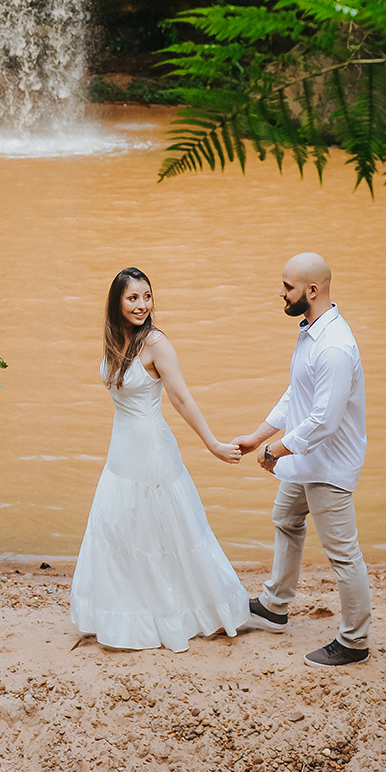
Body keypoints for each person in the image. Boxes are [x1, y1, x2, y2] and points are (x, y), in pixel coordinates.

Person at [70, 266, 250, 652]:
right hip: (122, 449)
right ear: (117, 302)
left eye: (147, 296)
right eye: (133, 297)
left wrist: (213, 444)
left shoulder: (156, 343)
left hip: (152, 449)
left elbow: (181, 398)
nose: (142, 305)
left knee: (168, 531)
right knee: (120, 527)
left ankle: (183, 611)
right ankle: (128, 611)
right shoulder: (117, 341)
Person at [238, 252, 371, 667]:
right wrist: (258, 437)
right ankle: (274, 606)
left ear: (312, 291)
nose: (281, 293)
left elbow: (323, 421)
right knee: (286, 518)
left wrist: (276, 450)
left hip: (329, 465)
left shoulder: (334, 347)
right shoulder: (312, 331)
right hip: (307, 458)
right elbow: (296, 394)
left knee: (343, 554)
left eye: (287, 286)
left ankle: (355, 642)